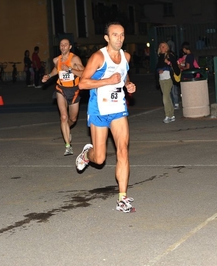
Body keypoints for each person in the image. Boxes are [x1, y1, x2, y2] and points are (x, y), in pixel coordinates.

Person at [75, 22, 137, 213]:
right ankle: (87, 154)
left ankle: (122, 198)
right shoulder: (98, 57)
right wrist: (107, 81)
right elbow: (83, 84)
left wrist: (128, 85)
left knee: (123, 151)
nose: (119, 38)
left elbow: (124, 76)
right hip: (99, 110)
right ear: (107, 38)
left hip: (118, 109)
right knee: (100, 159)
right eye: (115, 35)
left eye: (122, 35)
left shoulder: (126, 57)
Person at [41, 39, 85, 156]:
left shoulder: (74, 59)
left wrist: (70, 69)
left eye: (65, 45)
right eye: (61, 45)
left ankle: (66, 128)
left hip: (74, 90)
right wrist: (49, 76)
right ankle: (68, 146)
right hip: (61, 89)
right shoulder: (56, 60)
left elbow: (84, 73)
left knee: (73, 119)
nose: (63, 46)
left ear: (70, 47)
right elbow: (57, 69)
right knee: (64, 117)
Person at [156, 42, 178, 123]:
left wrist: (167, 63)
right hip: (161, 79)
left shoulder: (170, 55)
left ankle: (167, 115)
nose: (162, 47)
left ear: (167, 48)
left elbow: (174, 65)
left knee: (165, 97)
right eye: (161, 46)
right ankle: (172, 115)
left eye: (164, 46)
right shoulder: (159, 56)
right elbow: (157, 67)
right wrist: (159, 70)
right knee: (167, 97)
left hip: (169, 78)